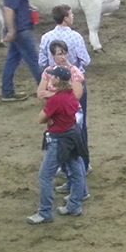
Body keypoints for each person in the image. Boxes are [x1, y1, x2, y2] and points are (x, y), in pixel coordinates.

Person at [27, 65, 88, 225]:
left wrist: (49, 117)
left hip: (58, 139)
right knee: (76, 171)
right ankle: (74, 206)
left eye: (53, 76)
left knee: (45, 176)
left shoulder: (56, 99)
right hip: (72, 136)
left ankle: (45, 212)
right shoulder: (70, 96)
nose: (51, 77)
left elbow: (40, 118)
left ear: (58, 80)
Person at [37, 37, 90, 180]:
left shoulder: (73, 72)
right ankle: (72, 176)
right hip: (57, 113)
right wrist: (51, 108)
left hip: (70, 113)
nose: (62, 57)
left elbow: (77, 94)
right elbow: (40, 93)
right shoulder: (49, 71)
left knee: (69, 145)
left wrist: (51, 95)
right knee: (64, 145)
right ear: (52, 56)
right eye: (58, 54)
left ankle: (78, 173)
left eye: (64, 53)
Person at [0, 0, 42, 102]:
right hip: (21, 30)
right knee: (34, 61)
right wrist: (11, 31)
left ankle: (7, 91)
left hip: (20, 28)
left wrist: (27, 7)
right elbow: (9, 10)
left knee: (12, 59)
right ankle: (45, 90)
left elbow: (15, 6)